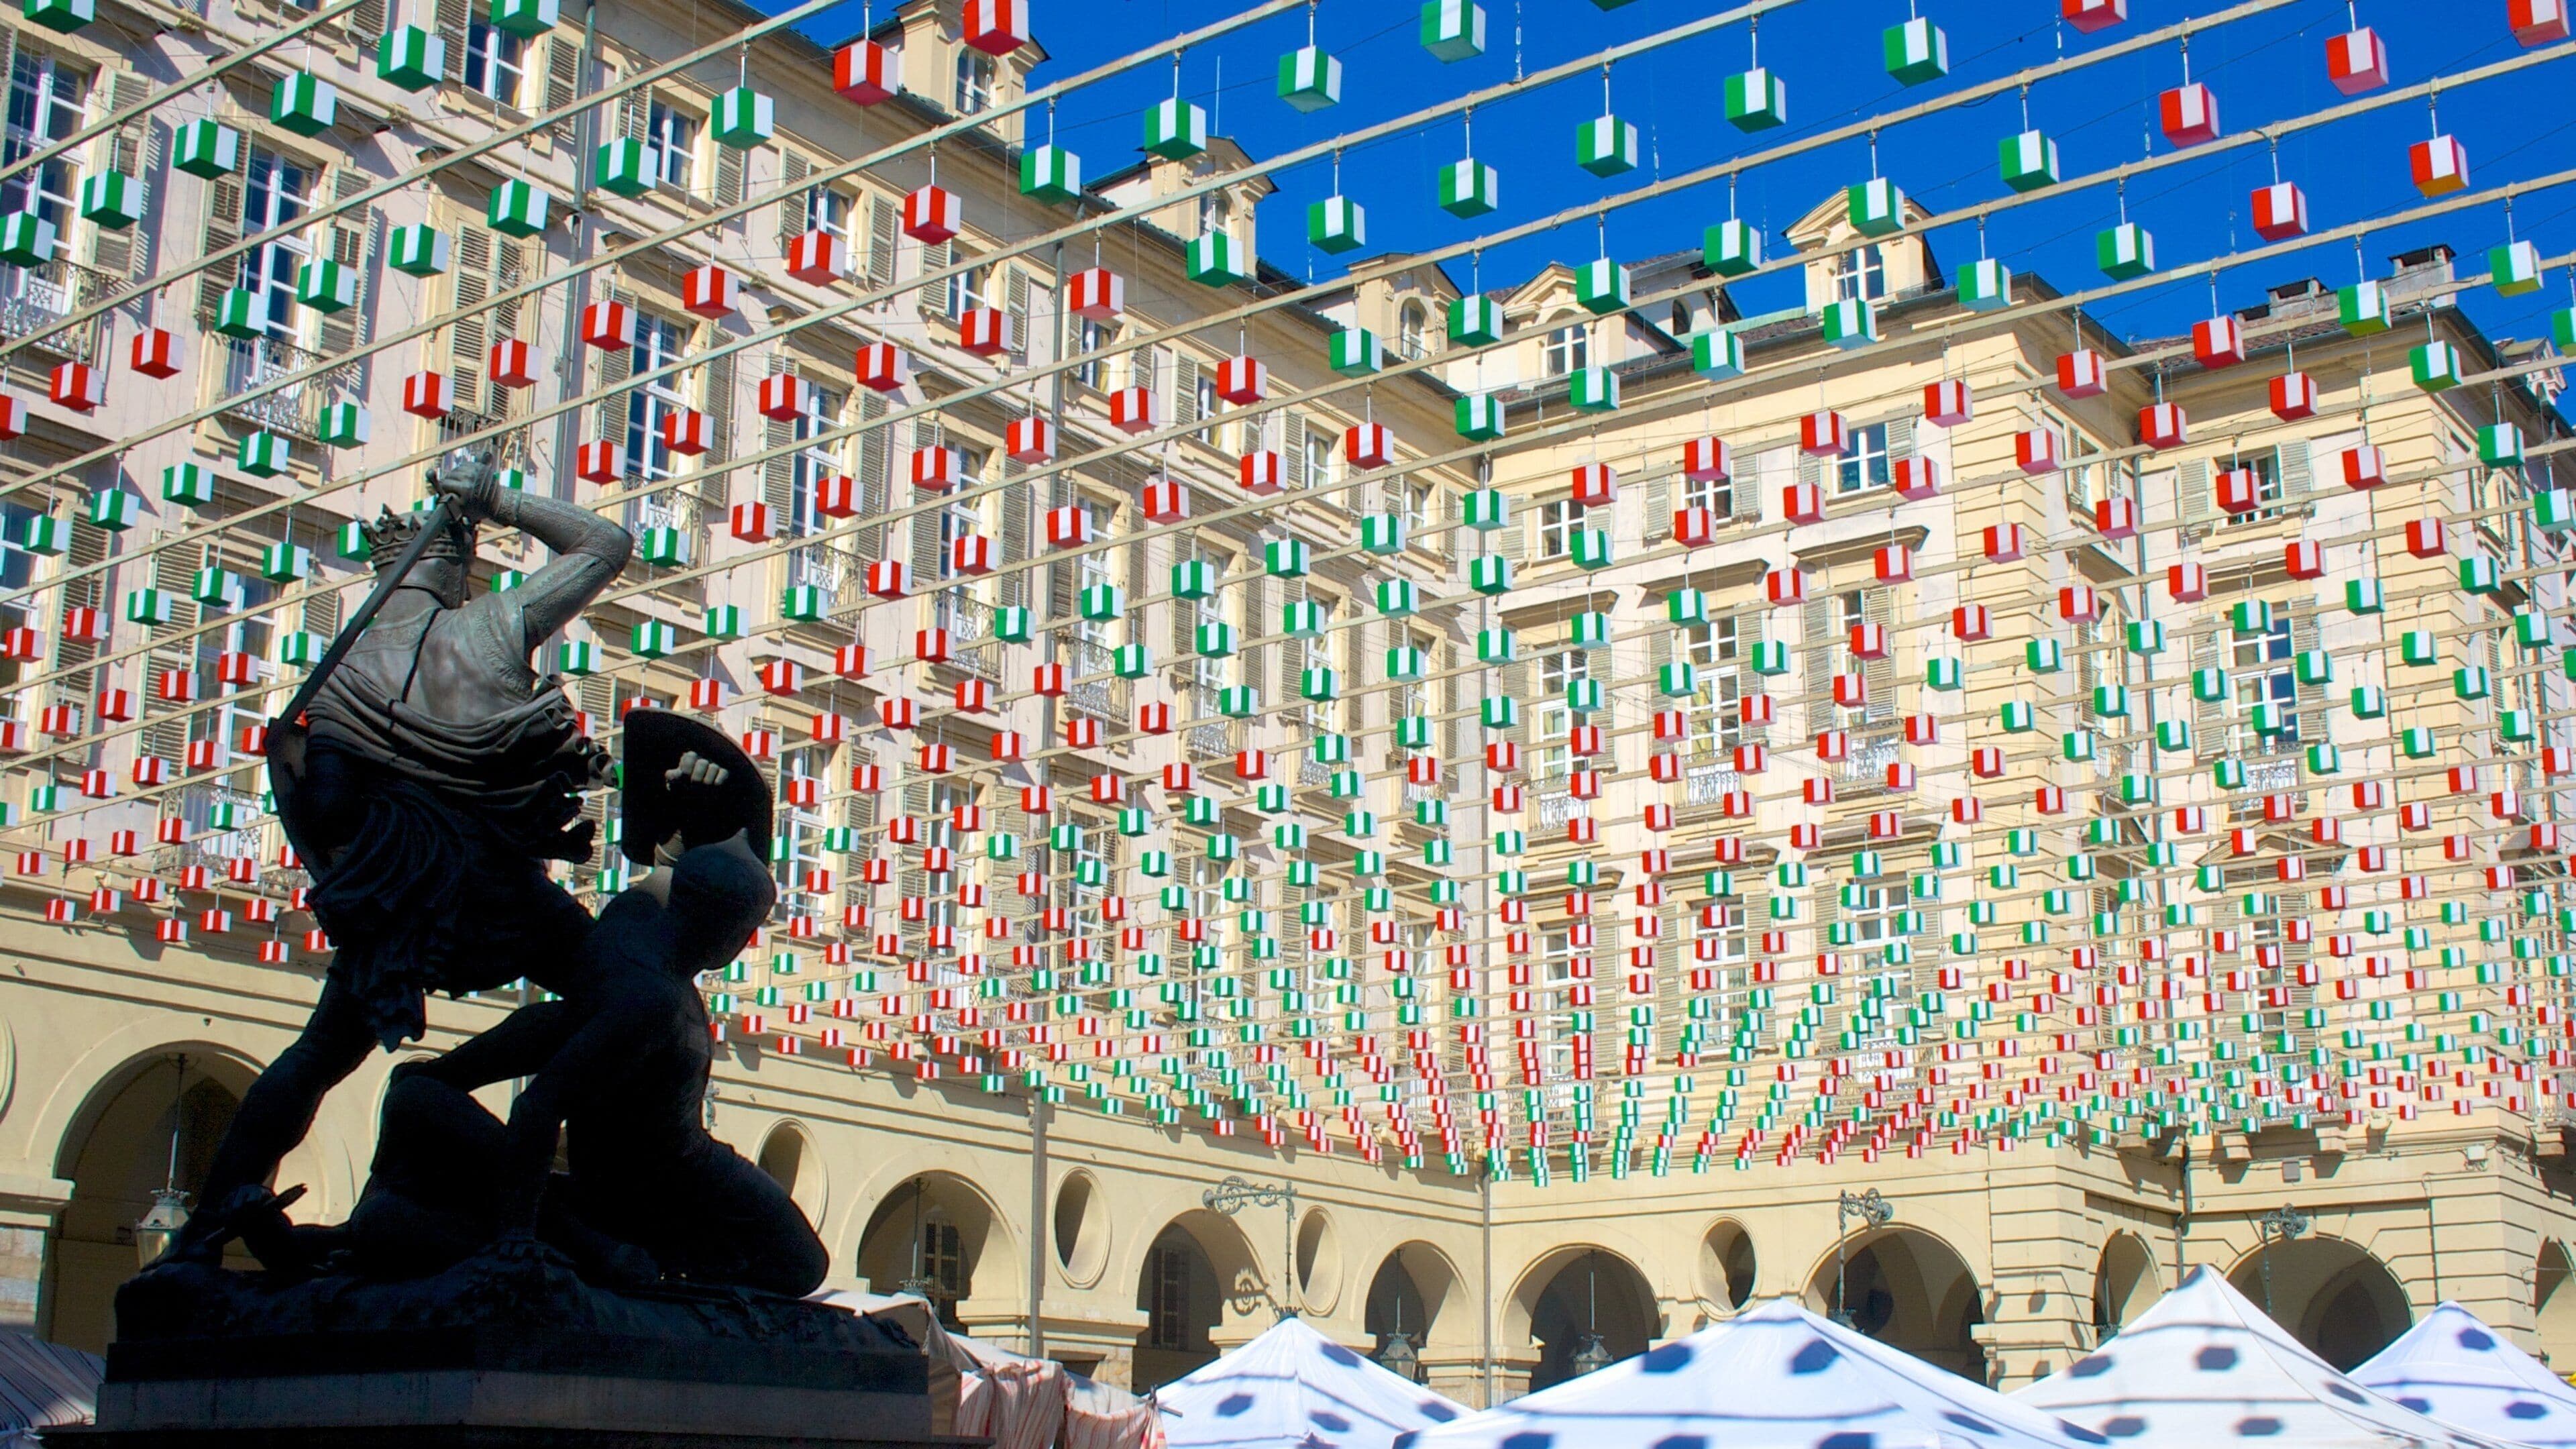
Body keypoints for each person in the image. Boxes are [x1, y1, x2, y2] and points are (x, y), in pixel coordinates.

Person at [172, 452, 632, 1261]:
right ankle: (589, 1184)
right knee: (621, 995)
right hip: (496, 885)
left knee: (320, 1054)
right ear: (455, 571)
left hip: (400, 891)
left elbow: (328, 808)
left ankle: (207, 1225)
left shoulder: (343, 673)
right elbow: (605, 544)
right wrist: (496, 498)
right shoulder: (488, 627)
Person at [341, 715, 826, 1297]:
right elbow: (539, 1106)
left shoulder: (644, 948)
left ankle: (615, 1256)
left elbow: (664, 887)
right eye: (745, 931)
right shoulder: (647, 992)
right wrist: (518, 1236)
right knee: (799, 1266)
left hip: (669, 1167)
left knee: (802, 1266)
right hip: (650, 1179)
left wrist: (690, 825)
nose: (747, 945)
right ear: (724, 931)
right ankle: (589, 1248)